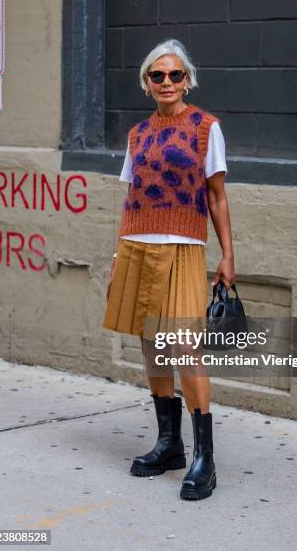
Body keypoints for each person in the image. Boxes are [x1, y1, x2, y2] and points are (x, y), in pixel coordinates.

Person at [103, 38, 235, 501]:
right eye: (156, 75)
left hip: (183, 248)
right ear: (146, 82)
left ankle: (205, 458)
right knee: (151, 346)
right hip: (136, 246)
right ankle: (169, 444)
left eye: (174, 75)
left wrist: (228, 255)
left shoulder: (204, 128)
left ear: (187, 80)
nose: (166, 82)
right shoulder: (137, 135)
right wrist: (118, 257)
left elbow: (217, 196)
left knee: (184, 348)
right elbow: (130, 200)